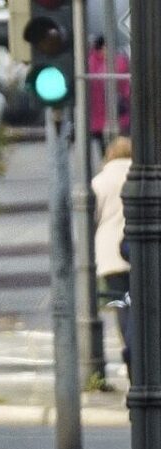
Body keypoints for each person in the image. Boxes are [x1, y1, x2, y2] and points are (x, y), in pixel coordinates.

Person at [91, 135, 132, 368]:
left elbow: (92, 217)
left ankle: (128, 345)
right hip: (141, 251)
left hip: (110, 255)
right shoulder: (144, 175)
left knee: (120, 303)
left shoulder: (100, 182)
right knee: (143, 302)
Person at [88, 36, 131, 157]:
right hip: (109, 120)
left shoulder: (90, 63)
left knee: (111, 153)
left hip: (110, 120)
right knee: (114, 153)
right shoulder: (113, 61)